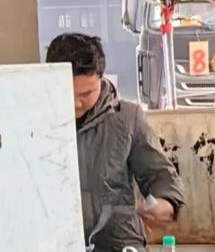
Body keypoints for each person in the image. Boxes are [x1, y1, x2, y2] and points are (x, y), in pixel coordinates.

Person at [46, 33, 184, 252]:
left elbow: (159, 174)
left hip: (118, 242)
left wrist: (165, 203)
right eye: (65, 92)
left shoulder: (127, 119)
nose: (75, 103)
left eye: (86, 94)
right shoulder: (35, 125)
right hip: (54, 243)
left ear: (101, 79)